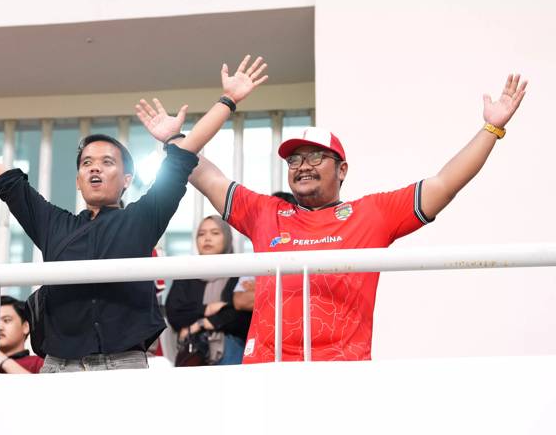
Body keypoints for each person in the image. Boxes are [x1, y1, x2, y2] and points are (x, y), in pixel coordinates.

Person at [138, 73, 527, 363]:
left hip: (343, 375)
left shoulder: (371, 214)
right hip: (263, 373)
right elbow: (206, 174)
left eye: (314, 157)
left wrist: (492, 128)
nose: (302, 166)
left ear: (342, 170)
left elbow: (444, 184)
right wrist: (173, 139)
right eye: (294, 160)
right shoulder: (266, 212)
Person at [0, 55, 268, 372]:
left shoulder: (141, 219)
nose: (95, 169)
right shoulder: (54, 224)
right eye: (87, 163)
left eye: (107, 162)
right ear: (77, 179)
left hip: (124, 365)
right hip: (58, 366)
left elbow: (182, 159)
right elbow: (6, 179)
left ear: (127, 179)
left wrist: (228, 100)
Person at [166, 215, 252, 366]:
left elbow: (242, 316)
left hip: (232, 351)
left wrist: (201, 323)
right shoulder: (186, 274)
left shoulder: (240, 270)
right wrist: (209, 308)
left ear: (227, 237)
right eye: (201, 234)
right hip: (194, 351)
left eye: (215, 233)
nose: (207, 238)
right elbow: (175, 313)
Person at [232, 192, 296, 311]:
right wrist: (291, 289)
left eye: (282, 217)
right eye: (271, 217)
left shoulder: (306, 254)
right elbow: (240, 301)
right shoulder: (256, 259)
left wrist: (260, 288)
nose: (275, 224)